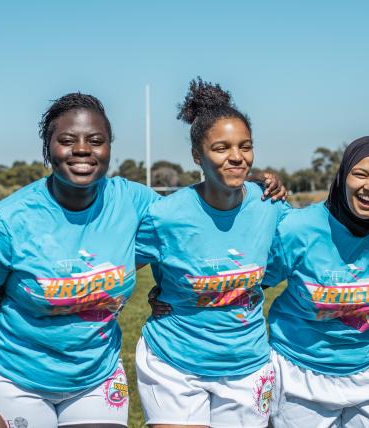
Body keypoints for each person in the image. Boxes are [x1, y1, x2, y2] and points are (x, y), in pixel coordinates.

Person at [0, 92, 287, 428]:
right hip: (15, 376)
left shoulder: (135, 202)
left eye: (96, 140)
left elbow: (195, 220)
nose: (82, 149)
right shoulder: (2, 223)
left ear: (109, 147)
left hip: (97, 376)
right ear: (47, 148)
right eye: (67, 140)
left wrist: (249, 181)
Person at [134, 78, 288, 428]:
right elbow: (113, 270)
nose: (237, 157)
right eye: (221, 148)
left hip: (246, 366)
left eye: (245, 146)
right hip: (172, 363)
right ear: (196, 156)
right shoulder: (165, 217)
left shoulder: (271, 207)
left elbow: (293, 261)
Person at [261, 136, 369, 427]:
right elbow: (250, 284)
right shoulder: (299, 228)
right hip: (299, 372)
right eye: (360, 174)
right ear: (342, 175)